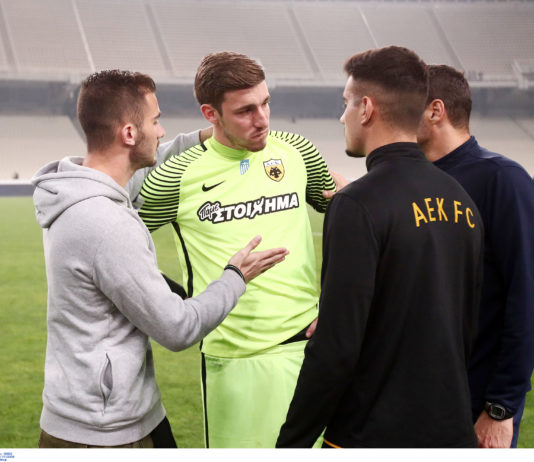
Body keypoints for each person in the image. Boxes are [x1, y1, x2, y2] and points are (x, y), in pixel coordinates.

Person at [31, 69, 288, 448]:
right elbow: (177, 328)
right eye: (155, 121)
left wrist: (210, 134)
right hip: (103, 434)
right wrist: (236, 276)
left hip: (127, 413)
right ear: (129, 134)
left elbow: (157, 158)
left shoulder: (82, 187)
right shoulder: (105, 222)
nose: (161, 131)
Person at [276, 46, 484, 448]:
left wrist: (292, 443)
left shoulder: (357, 204)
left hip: (372, 435)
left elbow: (335, 347)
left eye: (346, 103)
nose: (343, 117)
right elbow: (464, 326)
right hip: (453, 432)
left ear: (367, 108)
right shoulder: (461, 199)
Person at [137, 51, 336, 447]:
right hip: (235, 363)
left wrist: (340, 302)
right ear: (210, 114)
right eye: (245, 110)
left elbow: (348, 221)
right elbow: (118, 243)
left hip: (314, 351)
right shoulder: (175, 175)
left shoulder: (297, 151)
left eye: (265, 103)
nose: (262, 119)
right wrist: (175, 298)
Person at [417, 64, 534, 448]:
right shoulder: (414, 180)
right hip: (417, 399)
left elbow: (526, 298)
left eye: (404, 106)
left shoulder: (503, 179)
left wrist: (501, 406)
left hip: (478, 405)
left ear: (435, 111)